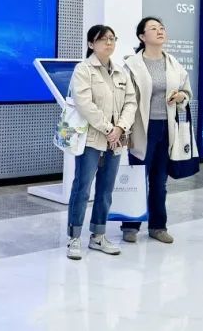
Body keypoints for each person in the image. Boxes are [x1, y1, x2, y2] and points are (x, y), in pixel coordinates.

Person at [64, 25, 138, 260]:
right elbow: (84, 104)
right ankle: (74, 237)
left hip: (115, 140)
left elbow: (131, 103)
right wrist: (108, 129)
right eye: (103, 39)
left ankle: (98, 235)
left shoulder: (121, 72)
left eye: (112, 39)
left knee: (105, 190)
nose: (109, 43)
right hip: (92, 139)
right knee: (82, 188)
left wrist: (120, 128)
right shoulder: (83, 69)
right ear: (90, 44)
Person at [121, 16, 192, 245]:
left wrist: (180, 96)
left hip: (166, 128)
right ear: (142, 36)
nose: (160, 31)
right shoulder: (132, 65)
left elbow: (186, 91)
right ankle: (130, 225)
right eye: (153, 28)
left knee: (160, 181)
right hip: (142, 128)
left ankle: (158, 226)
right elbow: (124, 98)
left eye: (161, 28)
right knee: (137, 178)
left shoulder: (172, 62)